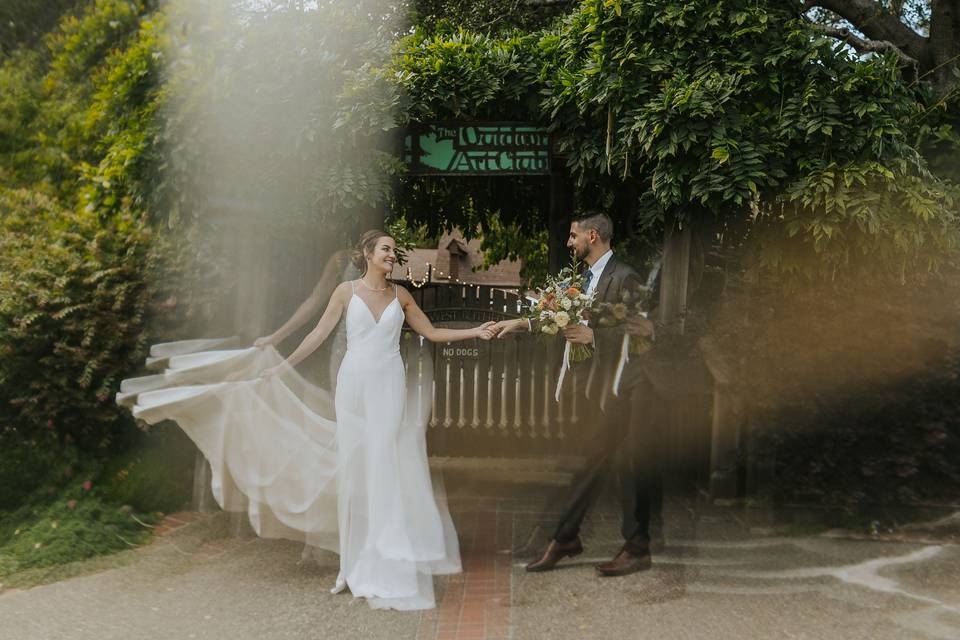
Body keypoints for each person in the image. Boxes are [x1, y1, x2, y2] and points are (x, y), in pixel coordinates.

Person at [123, 229, 496, 610]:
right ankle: (351, 566)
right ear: (367, 254)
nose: (391, 254)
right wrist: (283, 365)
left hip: (389, 386)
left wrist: (475, 331)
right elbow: (318, 334)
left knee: (384, 463)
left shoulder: (401, 296)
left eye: (392, 251)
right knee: (354, 470)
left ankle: (388, 561)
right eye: (385, 249)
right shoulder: (345, 293)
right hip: (353, 385)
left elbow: (431, 332)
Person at [492, 210, 657, 576]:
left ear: (593, 236)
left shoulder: (625, 276)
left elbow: (643, 331)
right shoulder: (583, 279)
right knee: (586, 461)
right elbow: (560, 317)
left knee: (628, 467)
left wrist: (595, 336)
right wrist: (521, 323)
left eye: (573, 236)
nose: (570, 242)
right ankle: (565, 537)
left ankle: (634, 547)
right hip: (598, 387)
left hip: (629, 386)